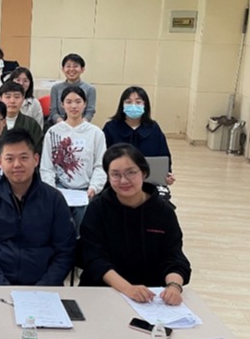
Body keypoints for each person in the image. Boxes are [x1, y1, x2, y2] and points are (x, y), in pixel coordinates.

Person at [79, 144, 191, 305]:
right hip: (102, 291)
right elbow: (94, 259)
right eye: (115, 174)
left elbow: (173, 257)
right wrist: (128, 289)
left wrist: (174, 287)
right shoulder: (97, 209)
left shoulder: (163, 211)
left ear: (144, 172)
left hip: (151, 296)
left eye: (131, 172)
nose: (124, 180)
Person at [0, 129, 76, 286]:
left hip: (44, 286)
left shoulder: (54, 199)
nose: (17, 165)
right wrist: (1, 285)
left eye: (24, 157)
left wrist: (43, 287)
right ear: (0, 162)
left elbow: (65, 250)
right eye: (9, 159)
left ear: (36, 159)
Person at [40, 86, 106, 234]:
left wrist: (94, 188)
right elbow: (46, 167)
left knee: (83, 230)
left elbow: (100, 166)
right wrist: (52, 190)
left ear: (85, 104)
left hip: (86, 191)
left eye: (78, 101)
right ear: (62, 105)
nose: (73, 106)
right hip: (59, 189)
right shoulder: (53, 132)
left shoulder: (96, 133)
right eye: (69, 102)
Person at [103, 86, 175, 186]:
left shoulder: (153, 128)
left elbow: (164, 156)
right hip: (118, 182)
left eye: (138, 102)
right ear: (122, 105)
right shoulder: (110, 128)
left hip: (148, 182)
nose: (133, 106)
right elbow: (102, 157)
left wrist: (167, 175)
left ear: (145, 105)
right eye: (128, 102)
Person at [49, 53, 96, 124]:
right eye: (68, 66)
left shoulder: (90, 89)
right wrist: (63, 125)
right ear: (63, 69)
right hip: (60, 125)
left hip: (81, 124)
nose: (71, 69)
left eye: (75, 66)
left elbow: (90, 112)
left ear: (82, 69)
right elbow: (53, 111)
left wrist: (80, 125)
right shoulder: (55, 88)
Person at [0, 80, 43, 146]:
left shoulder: (31, 124)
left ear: (23, 99)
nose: (12, 101)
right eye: (8, 97)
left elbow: (37, 148)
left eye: (17, 97)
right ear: (0, 99)